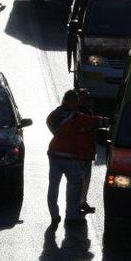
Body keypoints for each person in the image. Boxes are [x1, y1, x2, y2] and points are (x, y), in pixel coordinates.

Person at [46, 89, 105, 225]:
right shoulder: (75, 117)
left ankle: (54, 215)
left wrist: (57, 134)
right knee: (75, 184)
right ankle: (71, 216)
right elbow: (93, 121)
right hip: (69, 156)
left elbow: (49, 122)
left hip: (54, 154)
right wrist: (110, 121)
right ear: (73, 102)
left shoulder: (56, 113)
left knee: (53, 186)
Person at [76, 89, 105, 214]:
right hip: (79, 152)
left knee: (85, 179)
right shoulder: (77, 114)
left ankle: (82, 201)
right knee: (78, 180)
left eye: (88, 98)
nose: (88, 101)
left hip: (87, 152)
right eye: (85, 98)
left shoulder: (88, 112)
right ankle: (76, 204)